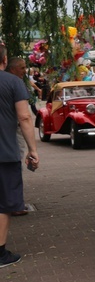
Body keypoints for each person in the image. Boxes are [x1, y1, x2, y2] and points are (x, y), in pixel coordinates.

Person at [0, 44, 40, 266]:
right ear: (4, 61)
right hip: (4, 153)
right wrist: (32, 150)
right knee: (3, 204)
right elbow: (25, 118)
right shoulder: (13, 83)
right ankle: (0, 254)